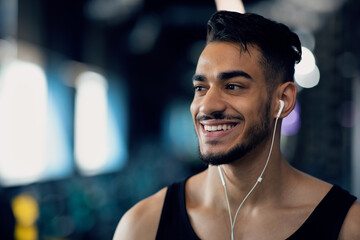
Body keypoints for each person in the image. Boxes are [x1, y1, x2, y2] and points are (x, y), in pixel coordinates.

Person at [113, 1, 360, 239]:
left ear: (282, 100)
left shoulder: (347, 226)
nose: (207, 106)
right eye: (201, 88)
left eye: (232, 86)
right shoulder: (143, 226)